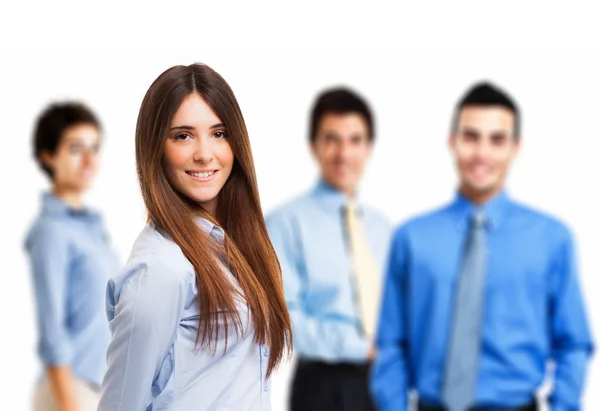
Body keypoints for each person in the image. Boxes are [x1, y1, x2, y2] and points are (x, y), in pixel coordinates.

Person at [371, 82, 594, 411]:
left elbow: (573, 342)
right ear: (452, 141)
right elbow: (390, 343)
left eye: (497, 140)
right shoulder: (411, 238)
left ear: (515, 147)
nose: (482, 154)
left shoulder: (552, 238)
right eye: (471, 137)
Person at [97, 63, 292, 411]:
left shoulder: (233, 247)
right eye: (183, 135)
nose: (205, 153)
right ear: (155, 146)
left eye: (218, 133)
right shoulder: (159, 270)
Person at [266, 87, 392, 411]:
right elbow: (285, 318)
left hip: (384, 380)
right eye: (332, 139)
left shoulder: (382, 228)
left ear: (369, 147)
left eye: (355, 140)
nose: (343, 153)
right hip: (323, 385)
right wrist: (359, 347)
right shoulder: (285, 223)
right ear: (314, 146)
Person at [25, 102, 119, 411]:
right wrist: (68, 404)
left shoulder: (93, 229)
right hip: (71, 391)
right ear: (49, 156)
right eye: (77, 148)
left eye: (95, 147)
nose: (90, 160)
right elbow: (52, 330)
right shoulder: (51, 232)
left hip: (101, 389)